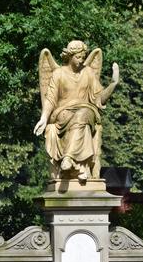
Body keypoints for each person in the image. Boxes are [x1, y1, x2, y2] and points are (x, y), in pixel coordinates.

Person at [34, 40, 119, 181]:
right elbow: (50, 99)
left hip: (87, 111)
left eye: (83, 57)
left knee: (83, 114)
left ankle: (68, 158)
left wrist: (113, 84)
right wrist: (43, 118)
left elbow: (99, 99)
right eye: (78, 57)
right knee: (82, 122)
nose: (81, 60)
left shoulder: (88, 72)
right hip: (63, 114)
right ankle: (80, 168)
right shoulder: (59, 73)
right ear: (69, 56)